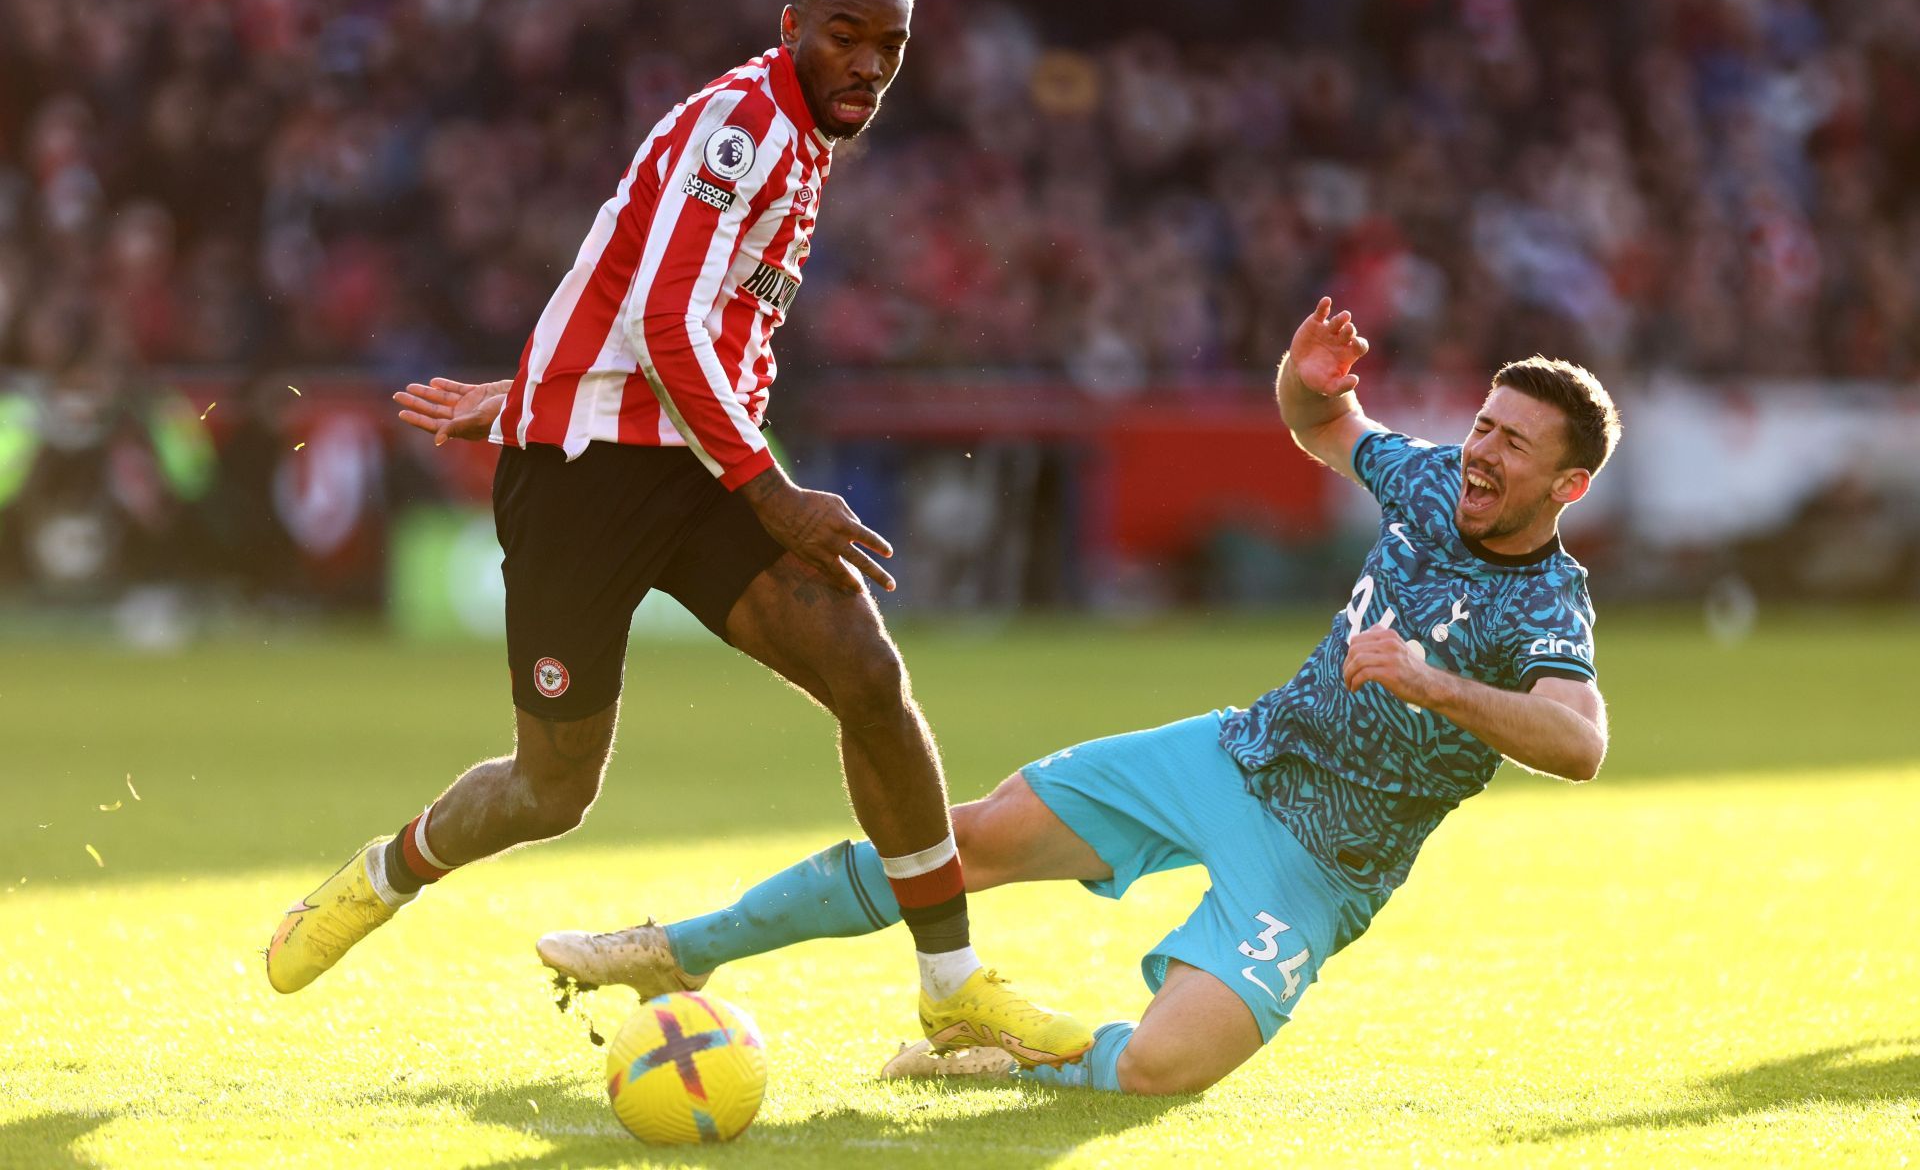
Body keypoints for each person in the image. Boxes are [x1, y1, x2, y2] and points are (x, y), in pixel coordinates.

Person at [264, 0, 1090, 1068]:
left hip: (686, 457)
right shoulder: (744, 130)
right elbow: (666, 323)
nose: (867, 64)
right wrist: (773, 488)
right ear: (790, 23)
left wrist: (542, 380)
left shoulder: (805, 140)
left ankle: (952, 991)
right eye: (844, 35)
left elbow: (642, 286)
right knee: (551, 789)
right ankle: (385, 872)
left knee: (866, 668)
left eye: (889, 47)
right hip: (587, 481)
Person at [528, 298, 1618, 1094]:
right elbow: (1322, 426)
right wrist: (1308, 378)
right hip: (1238, 754)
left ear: (1568, 487)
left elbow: (1580, 743)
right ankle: (680, 943)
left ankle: (1009, 1059)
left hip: (1325, 862)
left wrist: (1429, 684)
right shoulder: (1432, 479)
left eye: (1512, 444)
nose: (1480, 451)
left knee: (1164, 1066)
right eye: (1483, 423)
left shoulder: (1548, 608)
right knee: (964, 839)